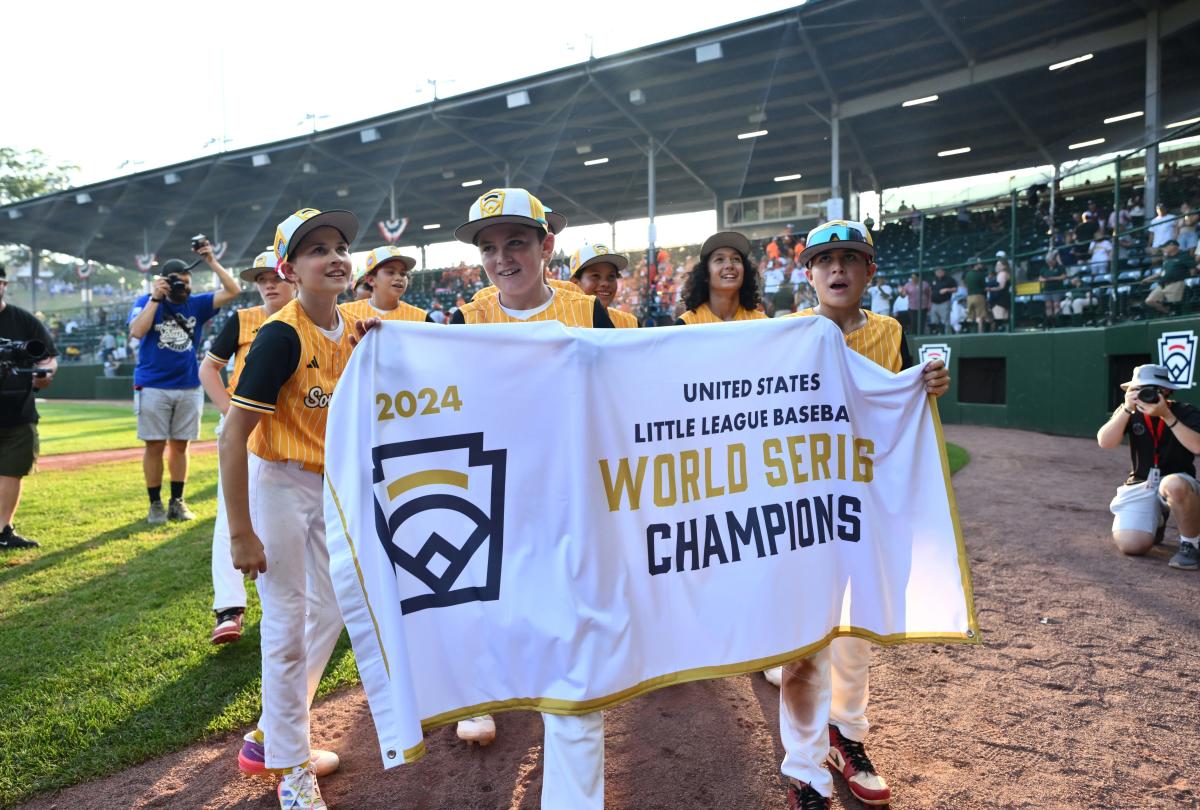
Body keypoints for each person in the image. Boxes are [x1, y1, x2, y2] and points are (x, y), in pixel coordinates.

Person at [444, 188, 612, 809]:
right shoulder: (465, 319)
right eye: (488, 246)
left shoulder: (586, 312)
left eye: (515, 241)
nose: (501, 256)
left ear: (546, 246)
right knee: (499, 627)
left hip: (576, 506)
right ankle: (484, 696)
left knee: (576, 669)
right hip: (495, 510)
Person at [778, 219, 950, 809]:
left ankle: (846, 736)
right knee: (804, 642)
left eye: (851, 258)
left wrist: (925, 384)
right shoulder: (787, 333)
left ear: (870, 270)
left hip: (862, 503)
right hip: (801, 508)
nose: (837, 269)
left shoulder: (891, 330)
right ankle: (803, 768)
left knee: (855, 632)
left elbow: (896, 407)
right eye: (824, 260)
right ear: (807, 274)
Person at [221, 208, 363, 808]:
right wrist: (239, 534)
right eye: (314, 250)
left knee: (332, 609)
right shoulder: (281, 334)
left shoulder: (356, 328)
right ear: (289, 268)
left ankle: (272, 735)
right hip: (276, 479)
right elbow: (232, 435)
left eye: (338, 245)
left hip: (329, 485)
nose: (332, 256)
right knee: (284, 627)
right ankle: (292, 773)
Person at [198, 251, 296, 646]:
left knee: (295, 517)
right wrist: (229, 413)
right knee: (232, 515)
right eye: (260, 279)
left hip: (297, 431)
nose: (268, 284)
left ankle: (300, 602)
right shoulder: (243, 319)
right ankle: (229, 608)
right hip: (248, 428)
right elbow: (208, 368)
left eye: (274, 276)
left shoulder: (317, 318)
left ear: (293, 276)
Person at [127, 241, 241, 524]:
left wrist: (212, 261)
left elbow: (234, 290)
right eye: (179, 284)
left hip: (188, 385)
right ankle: (155, 504)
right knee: (154, 445)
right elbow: (137, 331)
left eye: (188, 283)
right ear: (165, 283)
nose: (185, 289)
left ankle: (177, 501)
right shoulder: (146, 302)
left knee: (181, 445)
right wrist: (155, 299)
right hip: (152, 385)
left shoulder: (197, 304)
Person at [1097, 364, 1200, 570]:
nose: (1146, 394)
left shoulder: (1185, 412)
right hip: (1141, 483)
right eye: (1140, 389)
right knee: (1131, 545)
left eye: (1153, 389)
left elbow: (1197, 446)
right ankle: (1157, 521)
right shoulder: (1130, 411)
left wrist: (1167, 416)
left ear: (1167, 391)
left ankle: (1191, 544)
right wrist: (1127, 408)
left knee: (1173, 484)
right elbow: (1105, 442)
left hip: (1178, 482)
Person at [0, 264, 58, 550]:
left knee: (13, 470)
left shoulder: (23, 320)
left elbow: (48, 357)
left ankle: (3, 530)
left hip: (18, 411)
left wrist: (44, 372)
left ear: (4, 284)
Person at [674, 232, 767, 324]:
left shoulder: (762, 323)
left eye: (736, 259)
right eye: (719, 260)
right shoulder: (687, 324)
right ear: (705, 274)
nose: (729, 265)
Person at [339, 247, 431, 324]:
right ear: (371, 280)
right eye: (390, 272)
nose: (399, 277)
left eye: (403, 274)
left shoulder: (421, 317)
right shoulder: (345, 312)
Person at [569, 242, 638, 327]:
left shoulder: (629, 323)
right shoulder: (562, 324)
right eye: (595, 276)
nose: (605, 283)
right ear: (575, 283)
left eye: (611, 276)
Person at [1143, 240, 1191, 314]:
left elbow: (1193, 269)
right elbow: (1162, 272)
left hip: (1176, 283)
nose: (1163, 249)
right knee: (1149, 301)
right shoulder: (1167, 258)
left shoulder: (1183, 256)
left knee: (1173, 304)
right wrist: (1148, 279)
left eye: (1165, 247)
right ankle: (1167, 311)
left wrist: (1183, 276)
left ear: (1173, 246)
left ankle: (1172, 313)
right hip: (1162, 284)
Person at [963, 260, 990, 333]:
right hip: (979, 296)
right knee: (980, 316)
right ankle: (980, 333)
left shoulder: (967, 274)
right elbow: (984, 287)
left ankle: (970, 332)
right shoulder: (980, 274)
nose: (980, 265)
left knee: (970, 317)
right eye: (978, 264)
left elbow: (965, 285)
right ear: (975, 265)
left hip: (969, 297)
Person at [928, 267, 956, 334]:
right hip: (934, 303)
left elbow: (955, 289)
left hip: (944, 302)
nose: (938, 273)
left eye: (940, 271)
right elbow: (930, 291)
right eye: (937, 271)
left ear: (943, 272)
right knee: (934, 321)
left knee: (945, 321)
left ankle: (948, 335)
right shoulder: (933, 280)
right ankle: (936, 335)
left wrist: (947, 289)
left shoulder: (949, 279)